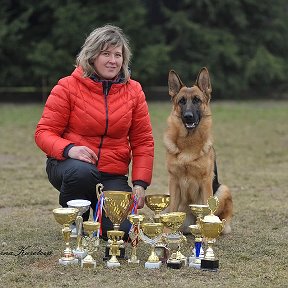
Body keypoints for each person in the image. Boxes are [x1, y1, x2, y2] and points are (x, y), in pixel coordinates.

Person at [34, 24, 154, 241]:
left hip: (112, 174)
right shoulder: (66, 87)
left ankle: (99, 221)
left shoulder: (134, 91)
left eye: (118, 55)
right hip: (69, 167)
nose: (113, 60)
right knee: (82, 171)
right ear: (91, 57)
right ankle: (74, 222)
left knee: (119, 233)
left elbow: (143, 141)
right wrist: (70, 149)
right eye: (106, 53)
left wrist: (140, 183)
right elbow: (43, 132)